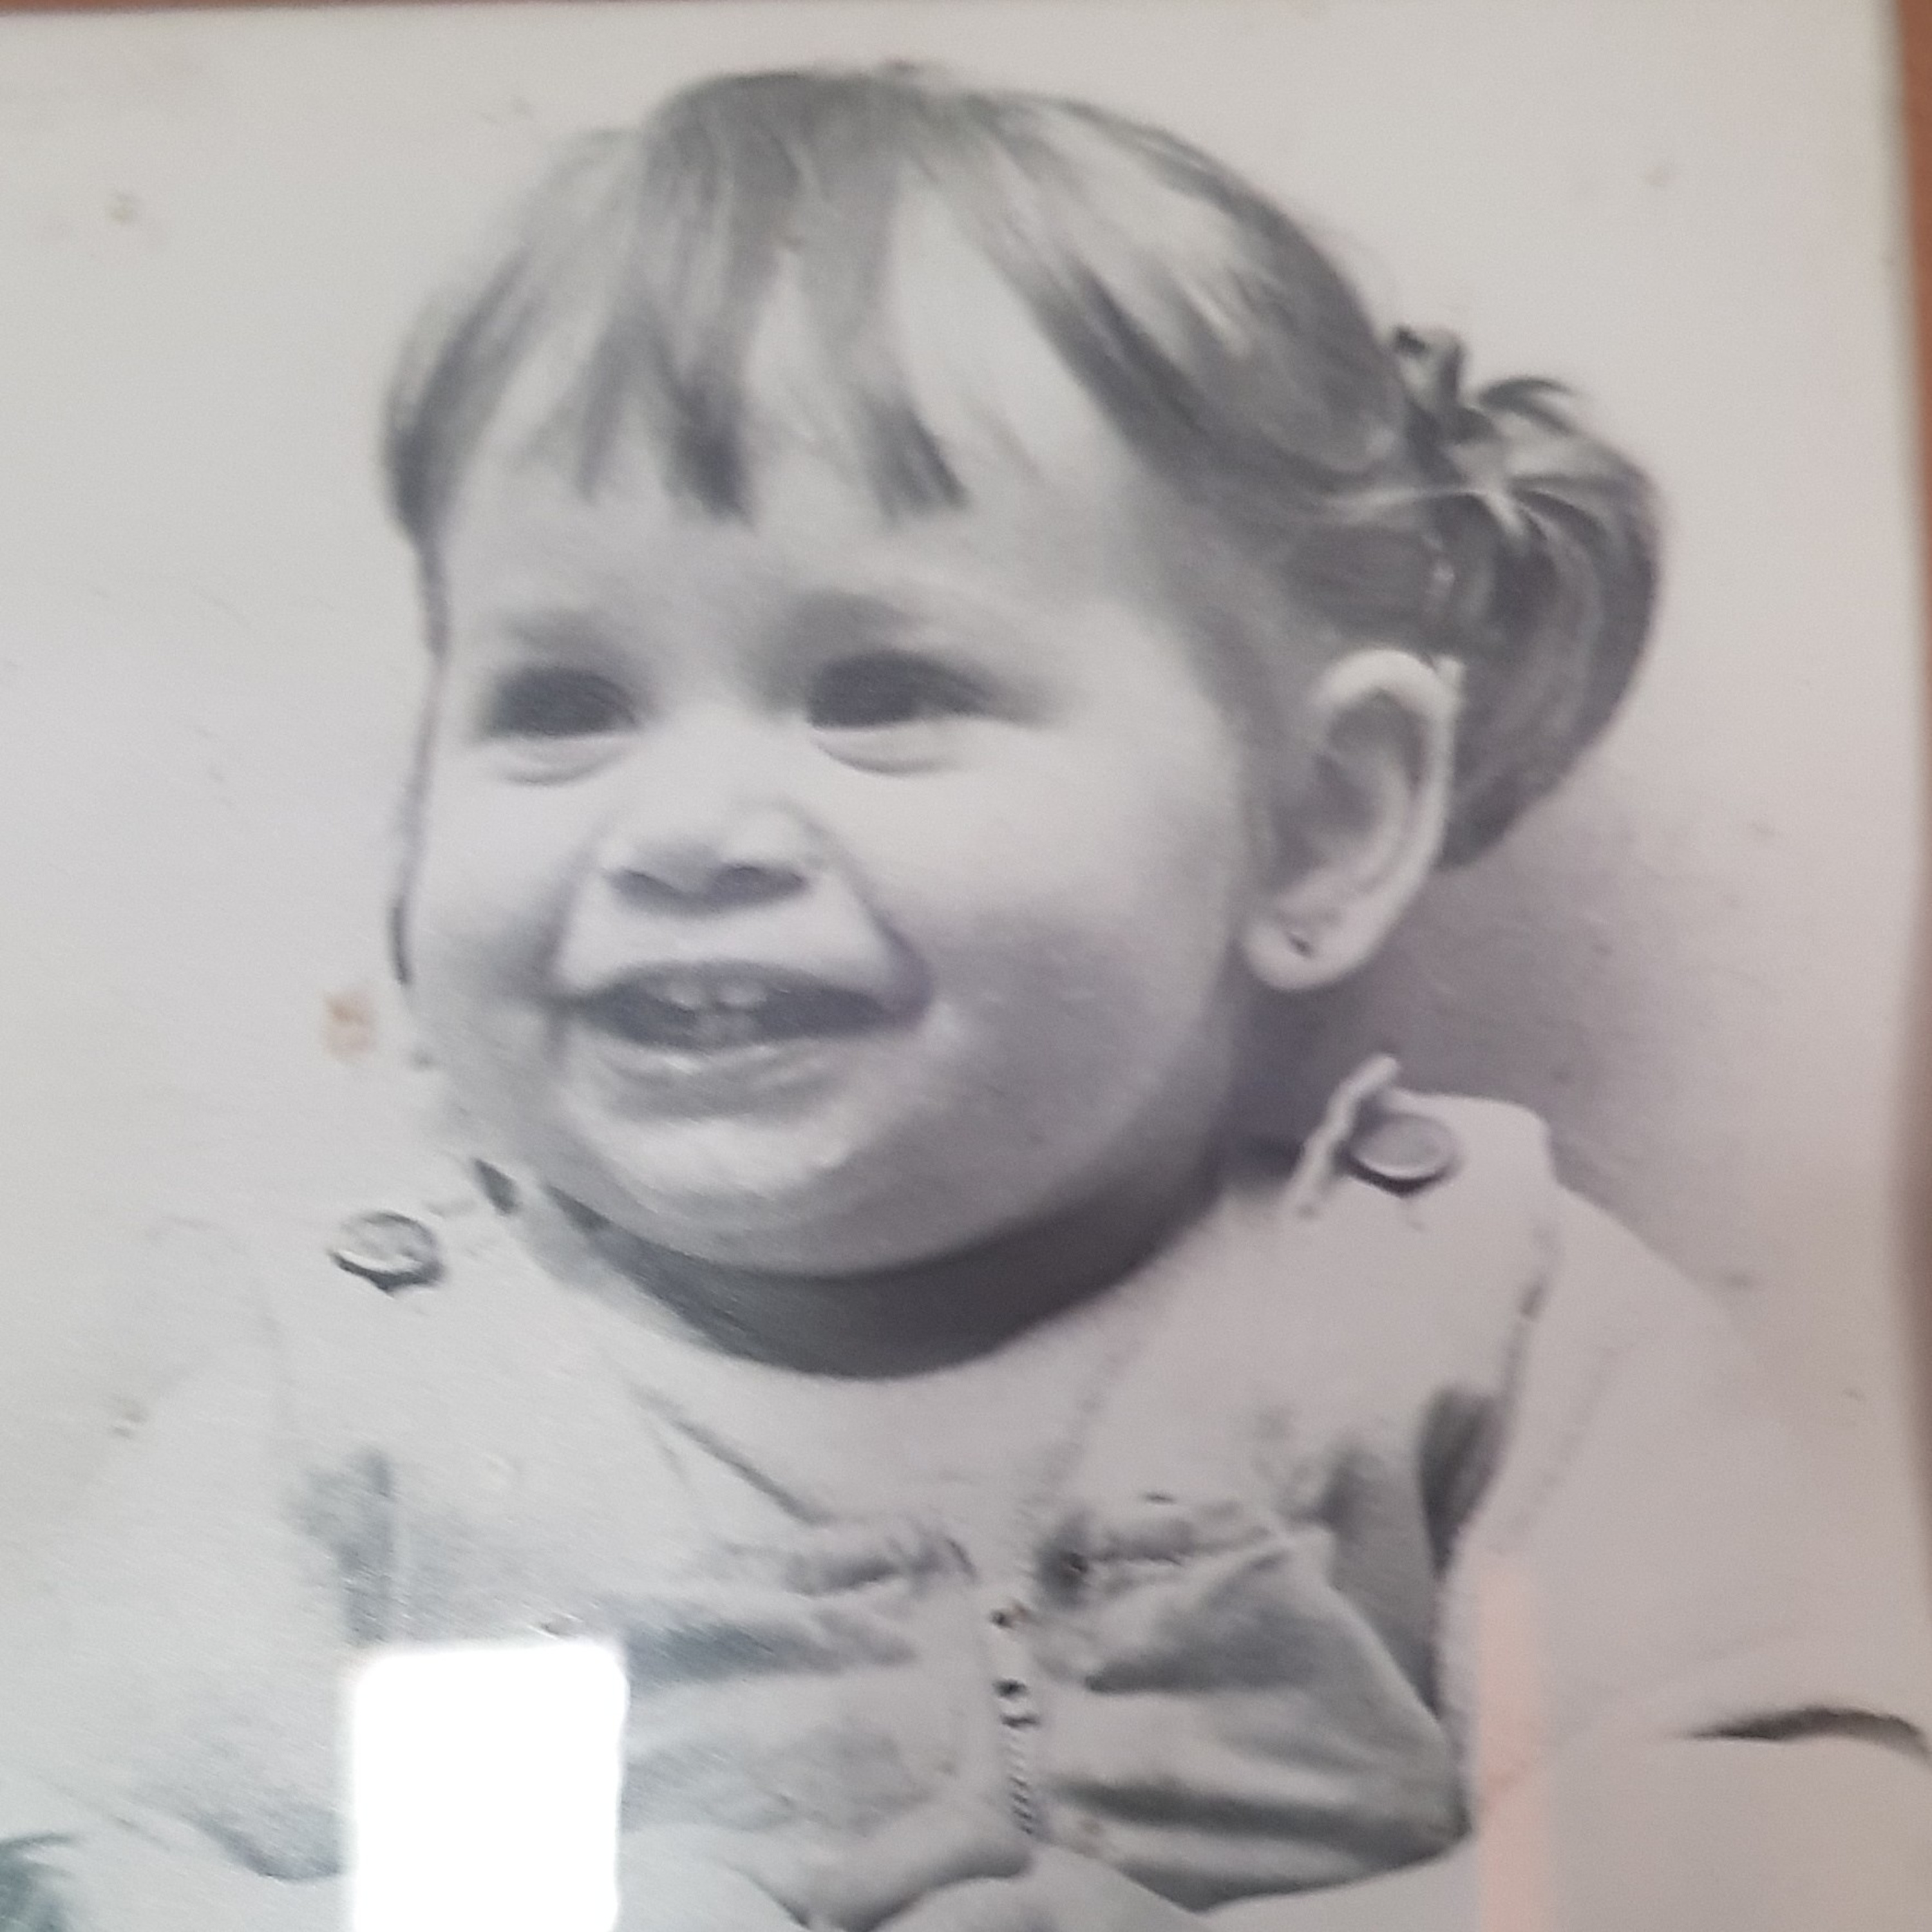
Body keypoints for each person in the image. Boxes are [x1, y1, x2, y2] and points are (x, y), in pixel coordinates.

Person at [2, 64, 1927, 1932]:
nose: (685, 831)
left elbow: (1804, 1831)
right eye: (563, 703)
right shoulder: (363, 1400)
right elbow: (75, 1869)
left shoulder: (1472, 1319)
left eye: (883, 691)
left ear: (1322, 822)